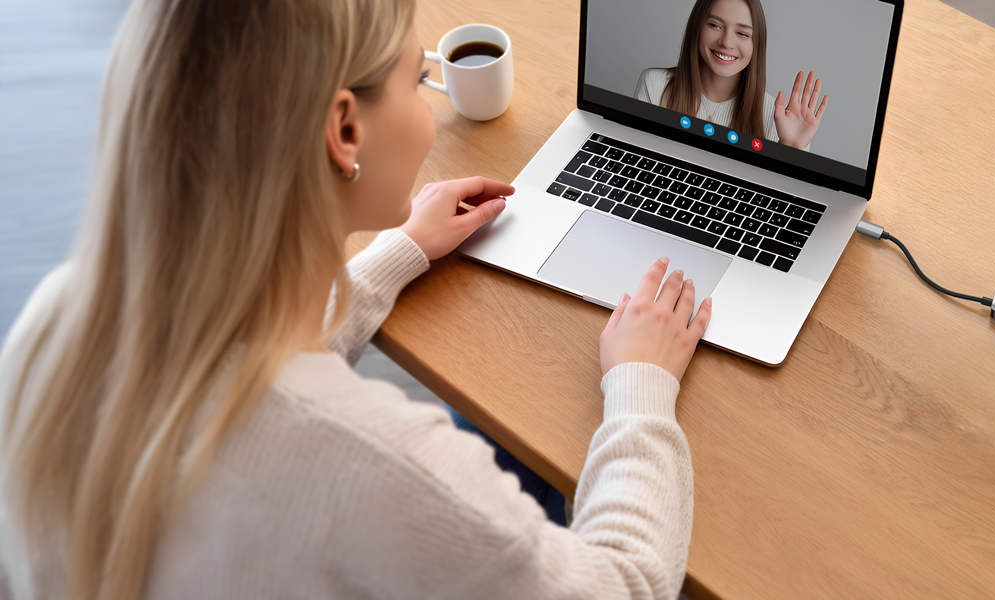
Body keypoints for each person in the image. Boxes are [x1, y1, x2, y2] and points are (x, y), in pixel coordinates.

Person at [0, 1, 709, 599]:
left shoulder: (56, 323)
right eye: (420, 80)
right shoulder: (379, 465)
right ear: (345, 132)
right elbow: (625, 584)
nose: (428, 100)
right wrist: (640, 385)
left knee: (505, 435)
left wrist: (397, 253)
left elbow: (245, 376)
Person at [634, 0, 828, 149]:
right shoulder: (656, 85)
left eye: (742, 34)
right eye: (714, 25)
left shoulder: (775, 117)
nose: (726, 42)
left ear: (756, 45)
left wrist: (791, 147)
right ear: (697, 26)